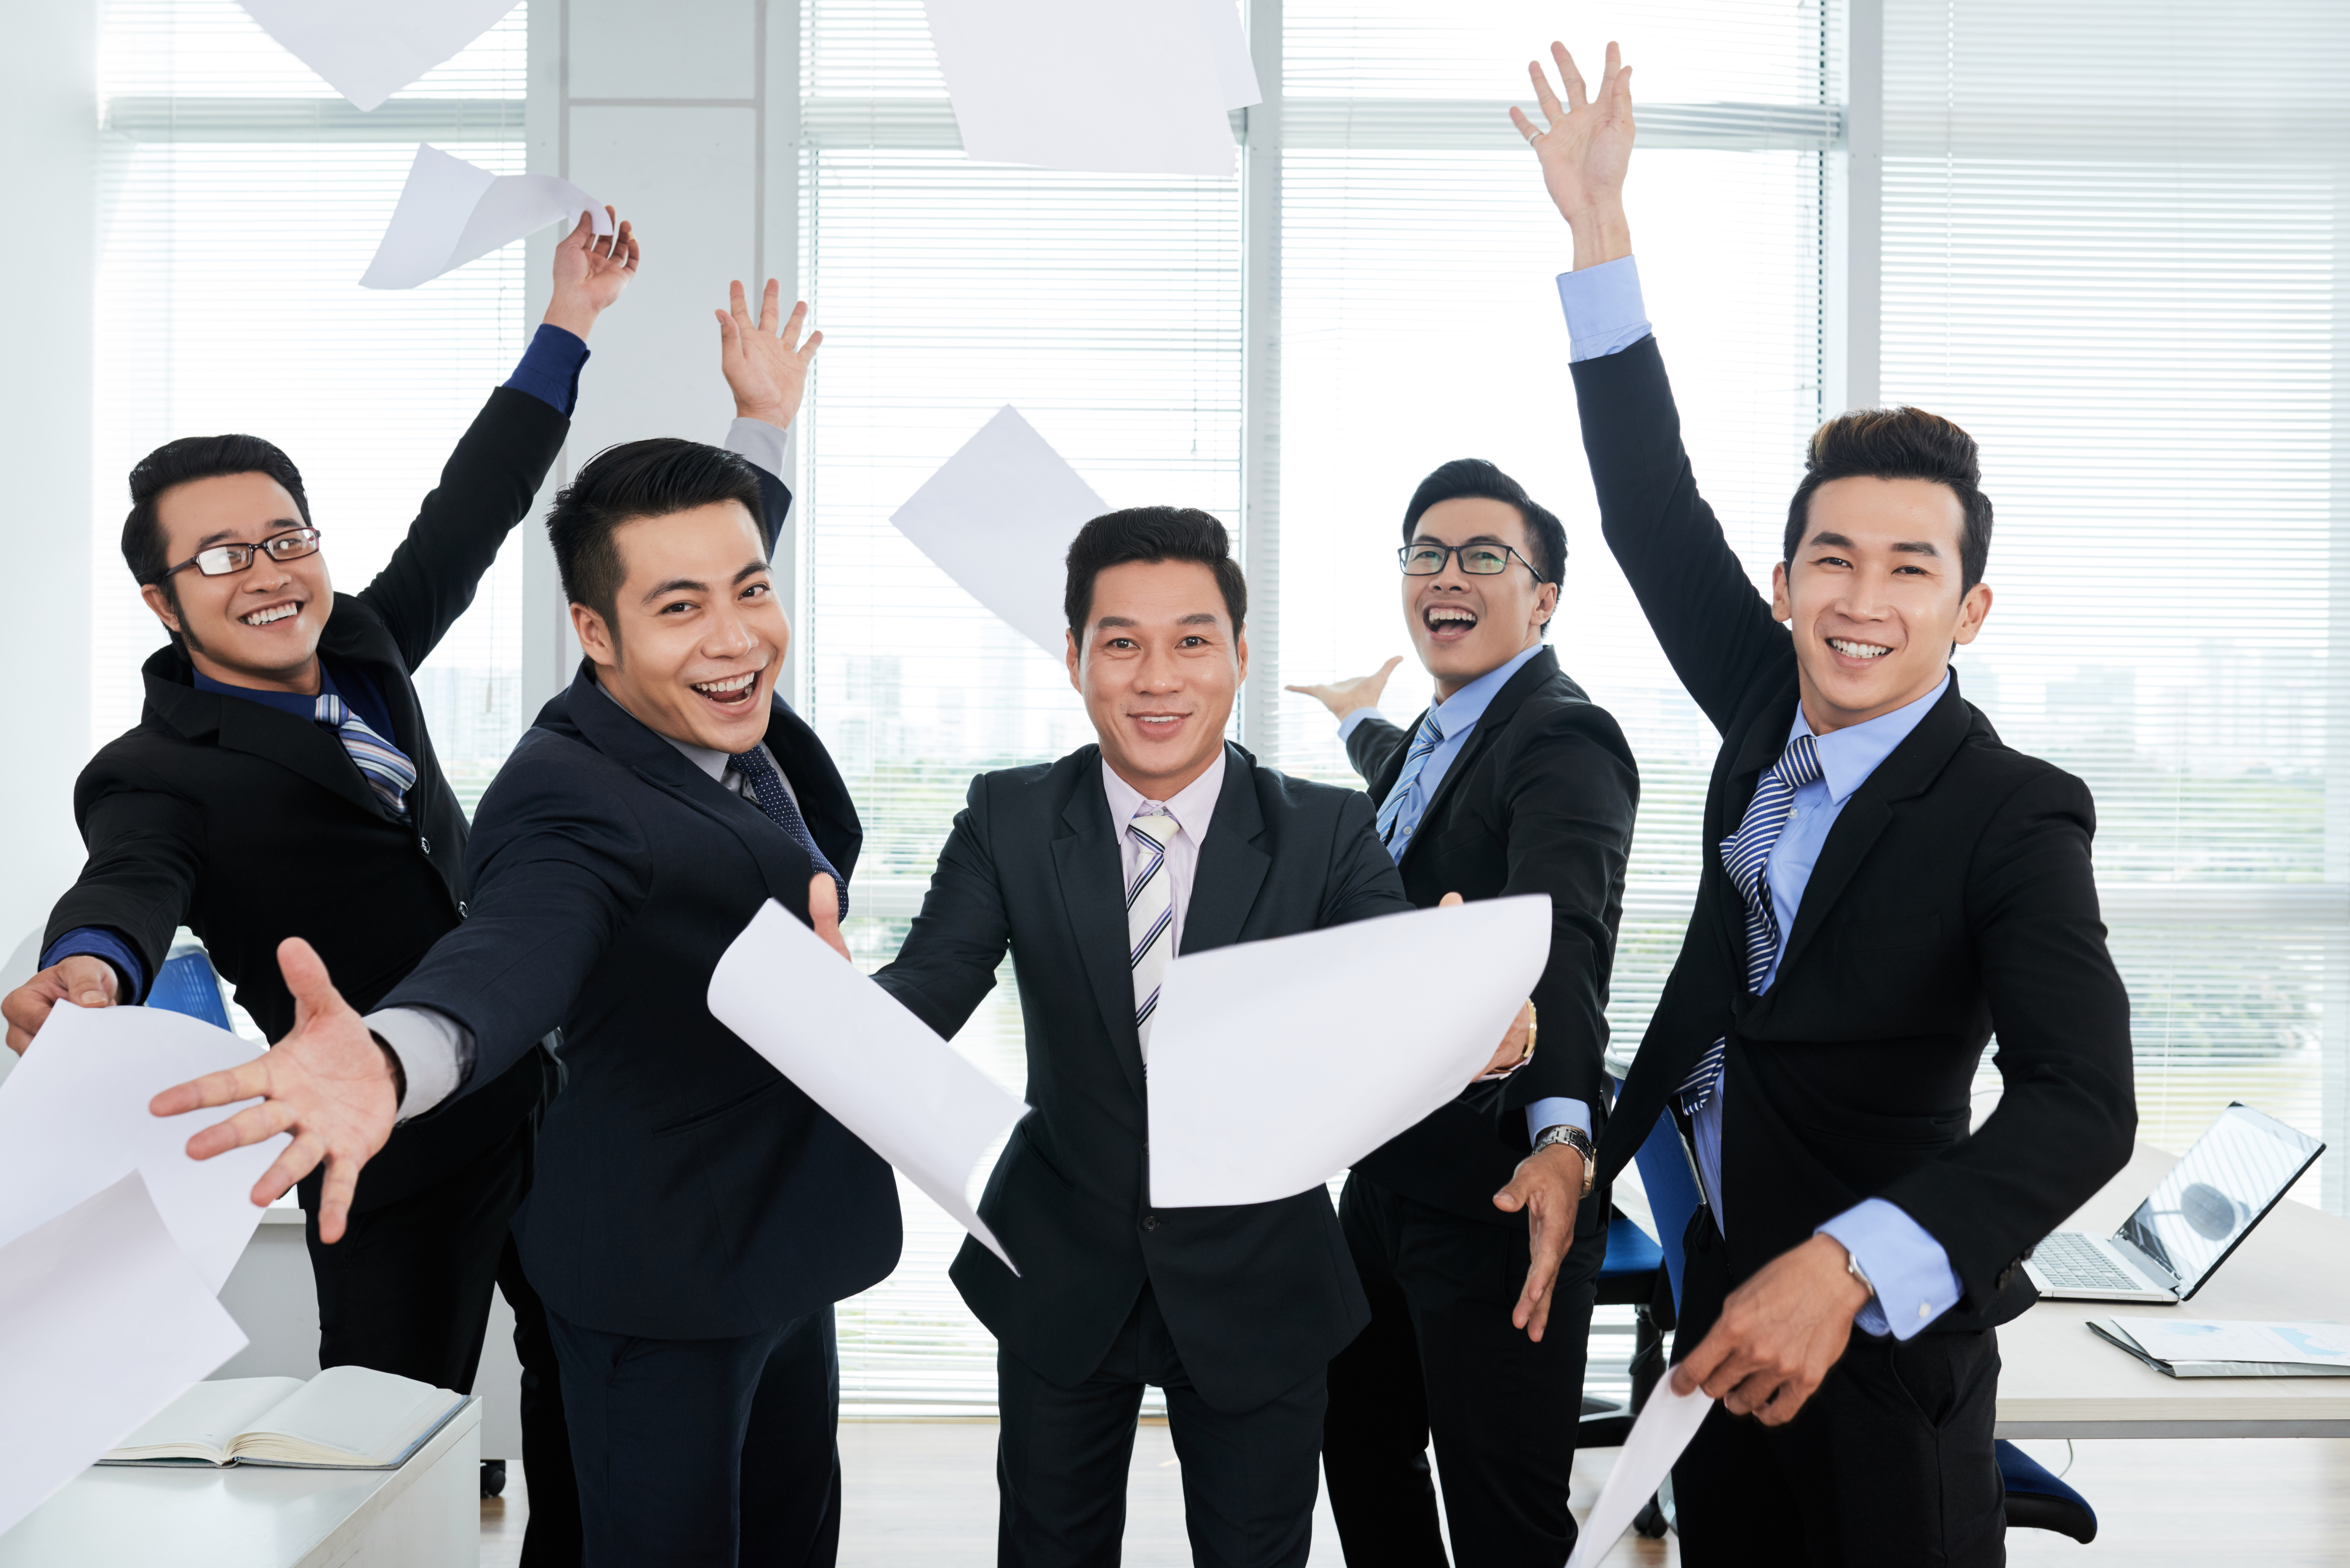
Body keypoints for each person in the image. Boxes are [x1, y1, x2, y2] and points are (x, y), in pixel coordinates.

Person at [1512, 41, 2136, 1565]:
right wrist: (1600, 231)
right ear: (1787, 585)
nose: (1863, 602)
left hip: (1871, 1334)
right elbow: (1649, 508)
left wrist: (1851, 1267)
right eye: (1832, 562)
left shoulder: (2015, 811)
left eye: (1910, 568)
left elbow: (2083, 1101)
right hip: (1713, 1283)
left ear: (1969, 609)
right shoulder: (1765, 697)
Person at [155, 298, 897, 1566]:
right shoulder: (565, 793)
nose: (734, 634)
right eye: (678, 608)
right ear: (595, 637)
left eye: (753, 593)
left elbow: (709, 566)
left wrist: (762, 427)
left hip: (782, 1245)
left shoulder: (708, 678)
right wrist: (392, 1054)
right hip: (657, 1274)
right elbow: (514, 949)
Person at [2, 208, 655, 1565]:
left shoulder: (362, 649)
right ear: (161, 599)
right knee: (381, 1453)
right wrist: (91, 968)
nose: (268, 570)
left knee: (597, 1403)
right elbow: (127, 879)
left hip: (536, 1093)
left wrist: (570, 323)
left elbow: (470, 511)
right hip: (384, 1145)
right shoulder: (156, 770)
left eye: (283, 535)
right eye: (221, 556)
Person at [868, 508, 1531, 1568]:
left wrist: (1473, 1020)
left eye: (1192, 641)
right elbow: (929, 987)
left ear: (1239, 657)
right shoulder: (1008, 817)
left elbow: (1390, 999)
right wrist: (830, 1007)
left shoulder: (1324, 829)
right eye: (1122, 642)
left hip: (1260, 1276)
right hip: (1062, 1260)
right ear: (1075, 655)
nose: (1157, 677)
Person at [1286, 457, 1638, 1568]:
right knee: (1361, 1446)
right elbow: (1410, 783)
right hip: (1388, 1173)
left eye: (1486, 556)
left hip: (1500, 1184)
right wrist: (1360, 716)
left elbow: (1563, 932)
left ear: (1543, 598)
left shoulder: (1563, 739)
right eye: (1427, 554)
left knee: (1501, 1515)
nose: (1450, 573)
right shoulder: (1442, 737)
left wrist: (1564, 1140)